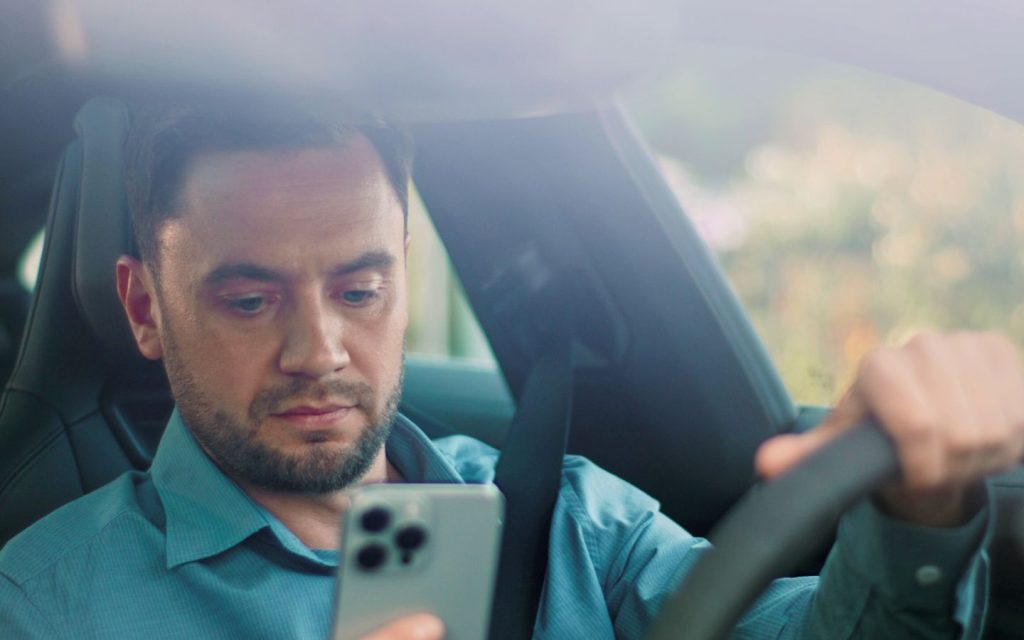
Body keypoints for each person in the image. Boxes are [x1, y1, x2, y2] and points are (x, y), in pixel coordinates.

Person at [0, 99, 1021, 640]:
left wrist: (917, 512)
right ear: (145, 307)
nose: (319, 351)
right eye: (249, 300)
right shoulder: (42, 605)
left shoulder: (566, 517)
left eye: (359, 289)